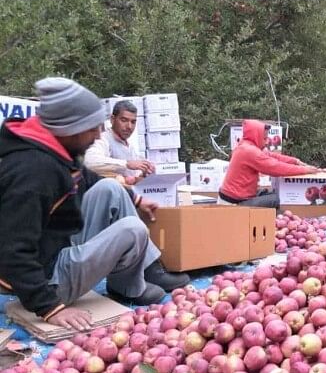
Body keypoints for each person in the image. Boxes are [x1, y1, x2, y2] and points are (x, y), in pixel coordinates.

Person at [0, 77, 190, 331]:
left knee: (110, 187)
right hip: (44, 280)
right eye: (93, 128)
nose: (99, 134)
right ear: (72, 128)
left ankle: (144, 271)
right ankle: (128, 286)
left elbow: (87, 176)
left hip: (55, 246)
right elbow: (12, 250)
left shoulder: (50, 145)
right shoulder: (33, 174)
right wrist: (49, 307)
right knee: (133, 228)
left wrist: (138, 198)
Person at [219, 119, 323, 208]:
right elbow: (275, 168)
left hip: (239, 196)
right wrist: (305, 170)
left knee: (269, 193)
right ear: (256, 136)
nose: (266, 142)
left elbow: (271, 156)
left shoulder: (246, 145)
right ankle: (272, 226)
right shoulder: (249, 151)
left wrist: (296, 161)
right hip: (233, 202)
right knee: (276, 199)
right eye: (264, 138)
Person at [84, 100, 155, 182]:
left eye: (133, 122)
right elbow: (90, 161)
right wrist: (126, 164)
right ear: (112, 119)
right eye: (124, 120)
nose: (129, 126)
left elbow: (134, 174)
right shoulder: (103, 139)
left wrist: (145, 172)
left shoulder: (128, 145)